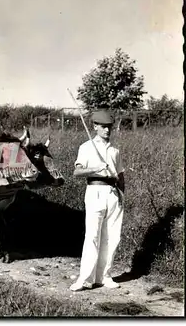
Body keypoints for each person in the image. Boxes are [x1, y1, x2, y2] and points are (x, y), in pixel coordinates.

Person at [70, 109, 125, 292]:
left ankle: (104, 276)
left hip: (113, 194)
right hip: (95, 191)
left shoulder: (115, 151)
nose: (107, 131)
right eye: (103, 127)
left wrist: (122, 195)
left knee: (112, 236)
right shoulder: (86, 147)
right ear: (95, 127)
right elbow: (77, 172)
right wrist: (96, 168)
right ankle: (85, 279)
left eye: (109, 127)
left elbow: (121, 176)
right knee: (92, 236)